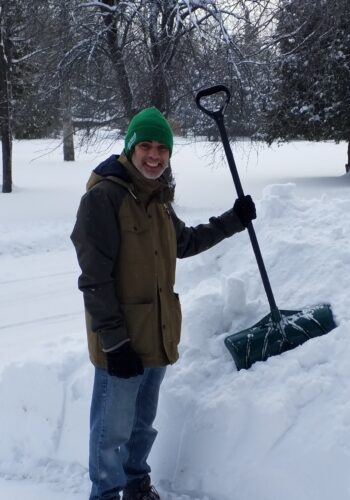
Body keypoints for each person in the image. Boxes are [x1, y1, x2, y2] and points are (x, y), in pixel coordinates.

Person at [70, 107, 255, 500]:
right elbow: (94, 280)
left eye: (162, 149)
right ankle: (105, 495)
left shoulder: (157, 199)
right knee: (111, 431)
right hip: (120, 340)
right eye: (146, 147)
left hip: (157, 334)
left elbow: (183, 243)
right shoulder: (104, 198)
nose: (154, 155)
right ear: (130, 147)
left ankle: (137, 484)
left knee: (142, 425)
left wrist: (233, 220)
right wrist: (115, 343)